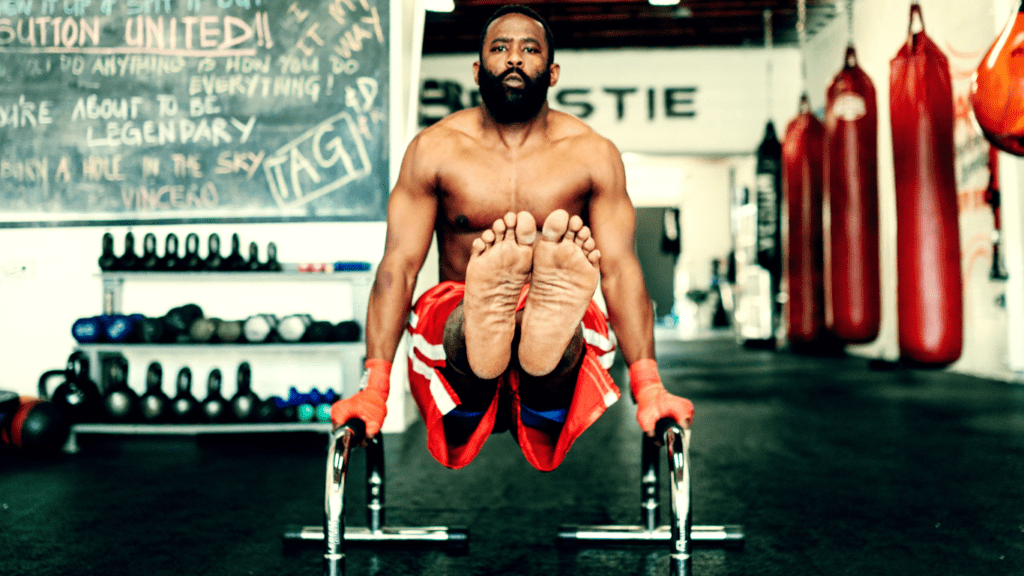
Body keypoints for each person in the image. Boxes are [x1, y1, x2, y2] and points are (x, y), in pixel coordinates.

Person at [331, 4, 694, 472]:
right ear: (479, 69)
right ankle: (495, 320)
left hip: (535, 339)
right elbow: (398, 266)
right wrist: (374, 388)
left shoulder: (591, 155)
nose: (515, 59)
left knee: (563, 331)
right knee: (459, 317)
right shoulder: (435, 150)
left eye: (530, 49)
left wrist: (650, 387)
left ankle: (537, 324)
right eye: (500, 48)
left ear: (553, 70)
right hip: (460, 322)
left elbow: (620, 269)